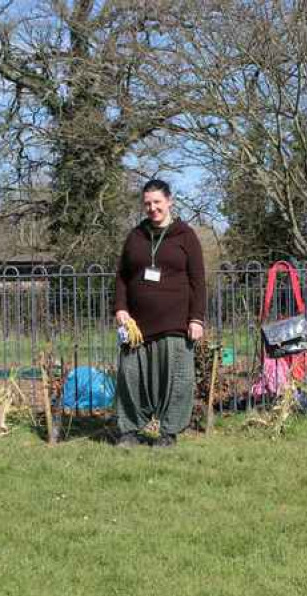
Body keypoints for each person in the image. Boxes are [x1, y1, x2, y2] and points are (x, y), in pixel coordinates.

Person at [113, 179, 206, 448]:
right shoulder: (135, 236)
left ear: (169, 201)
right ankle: (128, 431)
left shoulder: (185, 235)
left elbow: (198, 281)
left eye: (157, 202)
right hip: (136, 326)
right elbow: (122, 276)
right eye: (147, 203)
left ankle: (168, 433)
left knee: (177, 379)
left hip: (175, 324)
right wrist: (120, 308)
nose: (152, 208)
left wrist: (196, 318)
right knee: (129, 377)